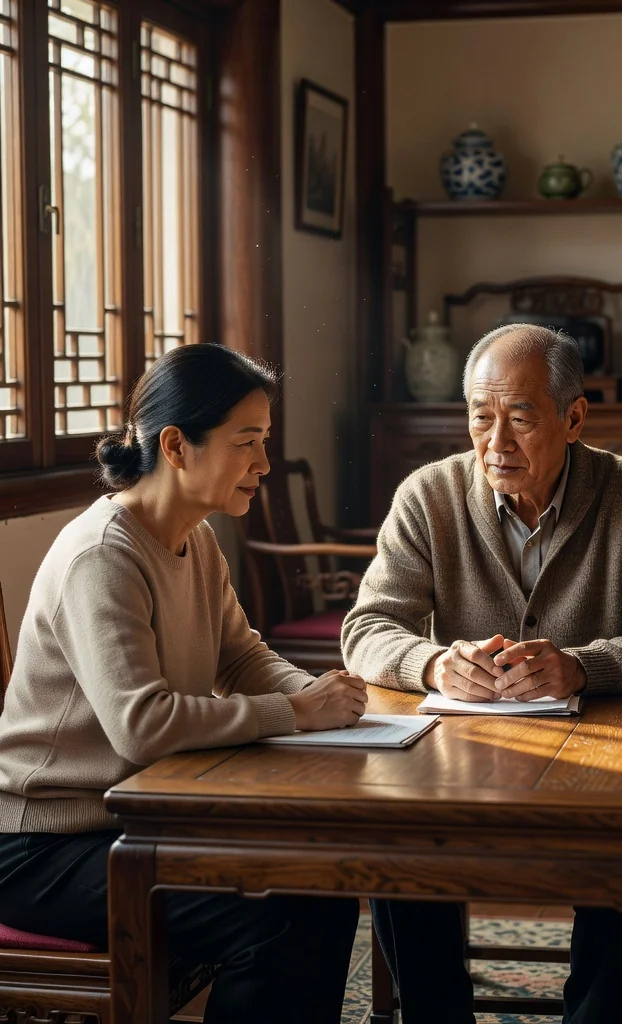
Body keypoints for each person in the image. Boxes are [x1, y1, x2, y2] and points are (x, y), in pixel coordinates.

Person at [342, 324, 622, 1024]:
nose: (496, 444)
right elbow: (365, 628)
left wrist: (580, 666)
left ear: (573, 418)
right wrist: (432, 663)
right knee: (393, 845)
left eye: (521, 419)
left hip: (602, 756)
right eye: (481, 418)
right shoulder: (429, 494)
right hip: (457, 757)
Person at [0, 343, 369, 1024]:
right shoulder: (103, 554)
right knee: (277, 920)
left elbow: (241, 656)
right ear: (176, 445)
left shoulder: (194, 538)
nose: (263, 463)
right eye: (247, 442)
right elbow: (143, 726)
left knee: (322, 886)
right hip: (41, 845)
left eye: (265, 442)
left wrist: (331, 701)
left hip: (132, 819)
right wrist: (294, 710)